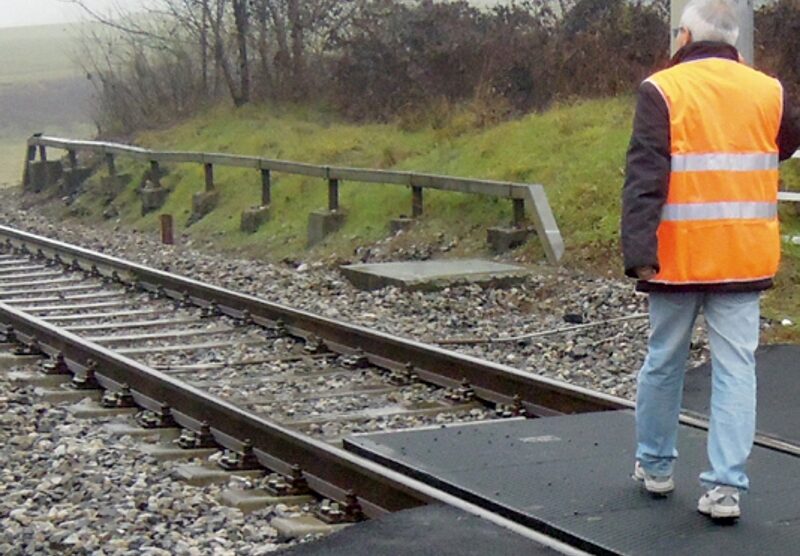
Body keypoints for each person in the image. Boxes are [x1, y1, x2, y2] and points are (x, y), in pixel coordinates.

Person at [621, 0, 800, 521]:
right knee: (736, 371)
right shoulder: (769, 90)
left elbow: (645, 177)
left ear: (683, 36)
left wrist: (638, 253)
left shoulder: (662, 90)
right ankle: (725, 489)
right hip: (743, 258)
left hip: (677, 259)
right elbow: (783, 142)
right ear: (735, 42)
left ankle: (655, 466)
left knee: (664, 362)